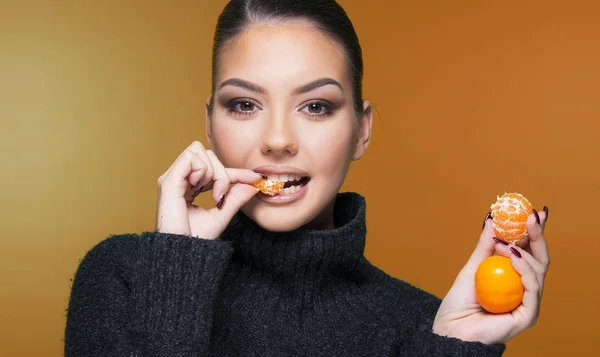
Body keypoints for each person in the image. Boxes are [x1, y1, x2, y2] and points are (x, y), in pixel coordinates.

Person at [63, 0, 550, 356]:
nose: (278, 140)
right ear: (210, 125)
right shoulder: (124, 278)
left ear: (361, 132)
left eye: (316, 106)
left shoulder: (422, 327)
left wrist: (453, 346)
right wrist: (179, 272)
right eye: (245, 104)